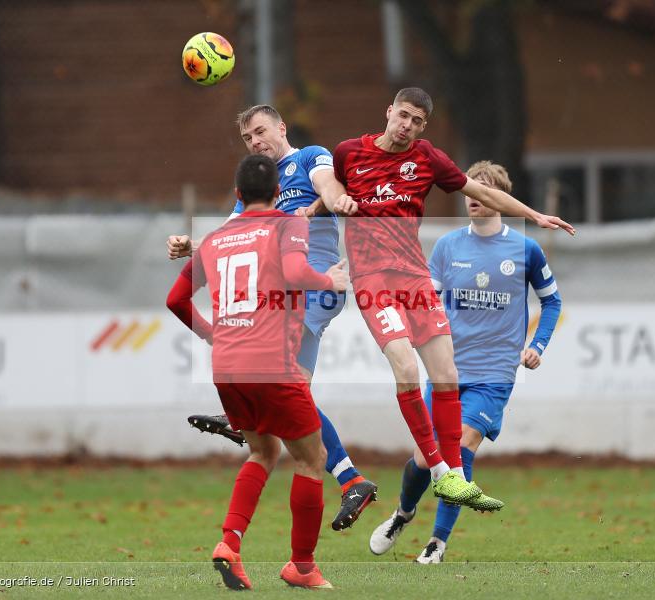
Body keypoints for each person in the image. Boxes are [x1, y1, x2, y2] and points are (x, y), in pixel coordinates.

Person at [326, 87, 575, 509]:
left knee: (446, 374)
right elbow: (330, 190)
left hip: (415, 278)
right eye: (403, 116)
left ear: (424, 126)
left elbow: (482, 192)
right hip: (372, 279)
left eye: (417, 121)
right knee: (405, 367)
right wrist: (321, 207)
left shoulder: (427, 158)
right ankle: (442, 471)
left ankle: (453, 476)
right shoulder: (348, 153)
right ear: (388, 112)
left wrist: (533, 215)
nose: (407, 126)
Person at [167, 105, 377, 531]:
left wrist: (327, 204)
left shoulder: (308, 158)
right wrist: (193, 246)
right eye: (247, 138)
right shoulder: (256, 184)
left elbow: (329, 186)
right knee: (293, 391)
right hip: (282, 295)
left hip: (315, 286)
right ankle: (350, 478)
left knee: (286, 389)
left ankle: (251, 423)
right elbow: (230, 234)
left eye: (260, 131)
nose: (255, 141)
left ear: (282, 127)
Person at [166, 154, 347, 590]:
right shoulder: (289, 225)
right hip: (273, 365)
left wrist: (212, 335)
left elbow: (176, 299)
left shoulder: (214, 238)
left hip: (227, 367)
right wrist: (330, 281)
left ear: (237, 195)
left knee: (263, 453)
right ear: (279, 194)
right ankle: (301, 566)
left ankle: (229, 544)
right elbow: (295, 271)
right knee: (312, 459)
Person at [368, 160, 563, 563]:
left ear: (497, 198)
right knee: (427, 458)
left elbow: (552, 300)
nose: (474, 197)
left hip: (494, 373)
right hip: (448, 369)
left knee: (461, 446)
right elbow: (428, 302)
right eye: (471, 190)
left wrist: (538, 346)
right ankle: (403, 513)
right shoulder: (447, 247)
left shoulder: (525, 248)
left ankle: (437, 543)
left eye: (484, 190)